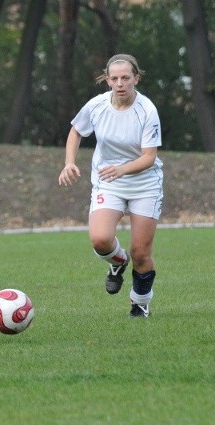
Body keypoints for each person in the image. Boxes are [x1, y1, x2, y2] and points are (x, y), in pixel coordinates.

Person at [58, 54, 163, 318]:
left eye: (126, 77)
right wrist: (69, 163)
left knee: (141, 252)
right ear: (107, 80)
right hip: (109, 182)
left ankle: (140, 303)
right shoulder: (96, 105)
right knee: (100, 239)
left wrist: (122, 169)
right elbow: (76, 131)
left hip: (144, 183)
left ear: (136, 79)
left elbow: (149, 157)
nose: (120, 83)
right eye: (114, 78)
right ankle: (118, 261)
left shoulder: (147, 110)